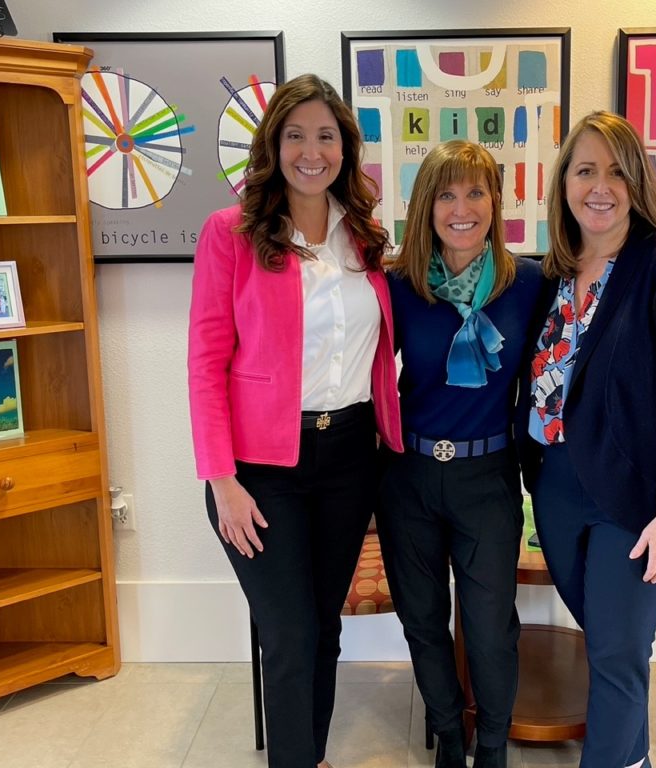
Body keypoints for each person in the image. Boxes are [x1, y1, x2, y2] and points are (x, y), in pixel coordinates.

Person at [187, 73, 403, 768]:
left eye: (327, 136)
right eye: (296, 135)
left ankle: (307, 754)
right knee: (287, 635)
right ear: (273, 144)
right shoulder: (233, 233)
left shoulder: (365, 237)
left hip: (348, 460)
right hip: (259, 472)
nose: (312, 151)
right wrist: (221, 481)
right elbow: (206, 362)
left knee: (323, 630)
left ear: (346, 147)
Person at [522, 112, 656, 768]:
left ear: (636, 179)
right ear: (565, 184)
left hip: (642, 502)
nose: (599, 185)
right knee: (611, 640)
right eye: (585, 169)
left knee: (614, 653)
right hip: (556, 490)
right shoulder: (550, 272)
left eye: (615, 169)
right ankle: (633, 757)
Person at [377, 141, 544, 768]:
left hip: (488, 477)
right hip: (409, 478)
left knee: (490, 627)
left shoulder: (527, 282)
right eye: (446, 194)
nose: (462, 208)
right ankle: (450, 735)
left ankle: (493, 745)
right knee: (422, 620)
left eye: (476, 192)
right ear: (426, 206)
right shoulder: (400, 285)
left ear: (495, 203)